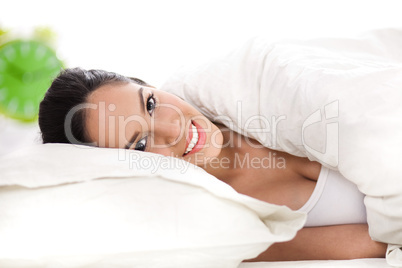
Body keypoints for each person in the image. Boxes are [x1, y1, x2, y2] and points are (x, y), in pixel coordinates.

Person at [38, 67, 387, 261]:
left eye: (151, 104)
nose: (174, 127)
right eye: (141, 144)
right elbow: (381, 242)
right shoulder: (229, 225)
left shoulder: (254, 96)